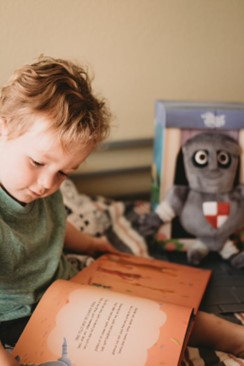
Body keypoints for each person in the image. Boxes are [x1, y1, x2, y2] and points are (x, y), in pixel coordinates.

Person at [0, 56, 244, 366]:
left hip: (62, 287)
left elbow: (52, 225)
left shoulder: (45, 186)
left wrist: (90, 244)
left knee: (158, 311)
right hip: (17, 314)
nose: (48, 183)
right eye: (37, 163)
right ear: (2, 127)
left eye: (65, 173)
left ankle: (232, 337)